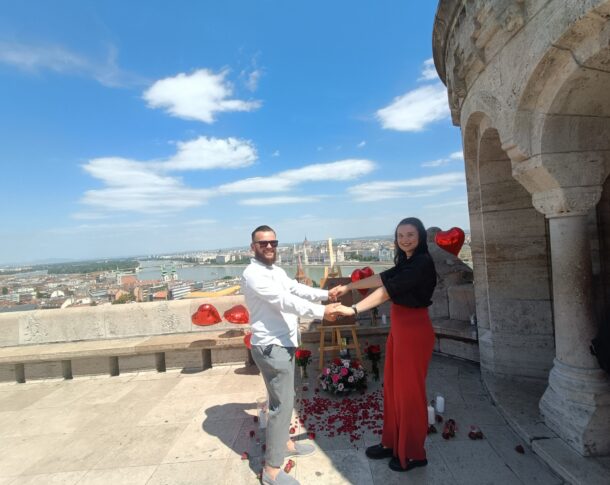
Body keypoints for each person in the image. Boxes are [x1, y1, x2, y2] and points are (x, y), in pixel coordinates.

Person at [329, 217, 436, 472]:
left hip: (414, 330)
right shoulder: (406, 261)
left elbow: (387, 292)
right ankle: (392, 442)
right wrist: (348, 286)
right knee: (393, 389)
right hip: (400, 329)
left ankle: (412, 453)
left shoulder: (422, 262)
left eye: (410, 234)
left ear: (420, 236)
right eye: (400, 235)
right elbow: (382, 279)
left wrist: (353, 308)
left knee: (409, 393)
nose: (405, 239)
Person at [242, 225, 337, 485]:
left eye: (273, 242)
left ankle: (283, 442)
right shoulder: (253, 274)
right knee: (282, 405)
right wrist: (322, 312)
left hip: (283, 343)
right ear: (253, 247)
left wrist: (327, 294)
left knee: (283, 399)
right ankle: (271, 470)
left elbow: (295, 289)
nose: (270, 246)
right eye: (263, 243)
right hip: (272, 346)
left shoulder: (276, 271)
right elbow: (285, 301)